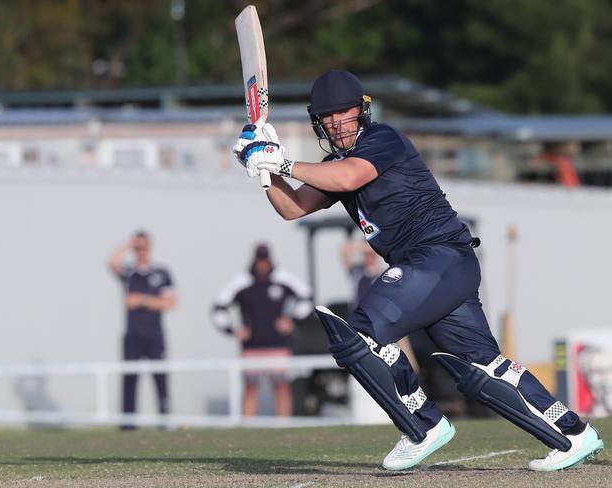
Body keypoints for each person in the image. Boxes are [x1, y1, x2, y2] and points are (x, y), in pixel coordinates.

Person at [232, 70, 604, 471]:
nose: (338, 122)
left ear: (362, 110)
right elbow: (293, 208)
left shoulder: (382, 140)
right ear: (317, 121)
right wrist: (262, 171)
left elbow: (348, 176)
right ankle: (572, 434)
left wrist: (281, 160)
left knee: (360, 333)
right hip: (441, 268)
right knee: (479, 369)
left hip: (437, 257)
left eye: (345, 112)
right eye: (329, 115)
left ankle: (423, 425)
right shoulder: (331, 164)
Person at [211, 243, 312, 417]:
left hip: (278, 345)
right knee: (251, 387)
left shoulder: (283, 279)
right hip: (251, 347)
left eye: (265, 260)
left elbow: (307, 298)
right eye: (259, 260)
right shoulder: (242, 281)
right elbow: (219, 307)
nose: (262, 264)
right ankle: (248, 426)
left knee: (280, 386)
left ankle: (284, 425)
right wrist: (233, 330)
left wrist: (292, 320)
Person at [108, 231, 177, 428]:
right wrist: (127, 244)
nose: (140, 252)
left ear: (150, 247)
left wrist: (142, 300)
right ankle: (128, 423)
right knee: (130, 379)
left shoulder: (162, 273)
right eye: (136, 248)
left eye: (143, 247)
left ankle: (165, 421)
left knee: (160, 378)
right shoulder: (130, 273)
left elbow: (170, 302)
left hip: (154, 335)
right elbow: (111, 262)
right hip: (133, 336)